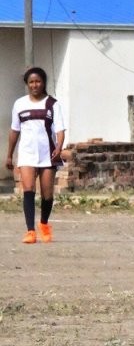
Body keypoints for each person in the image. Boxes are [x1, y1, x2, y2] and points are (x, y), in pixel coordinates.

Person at [6, 67, 65, 244]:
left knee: (47, 195)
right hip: (27, 153)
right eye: (31, 82)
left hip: (48, 154)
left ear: (43, 83)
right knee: (28, 190)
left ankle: (44, 224)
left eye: (38, 81)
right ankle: (30, 231)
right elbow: (14, 130)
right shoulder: (19, 104)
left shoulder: (52, 104)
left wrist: (59, 147)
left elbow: (61, 130)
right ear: (27, 84)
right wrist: (9, 155)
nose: (34, 85)